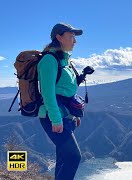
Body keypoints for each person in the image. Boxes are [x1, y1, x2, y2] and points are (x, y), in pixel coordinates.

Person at [38, 22, 83, 180]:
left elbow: (67, 91)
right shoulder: (49, 60)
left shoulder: (64, 60)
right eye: (71, 37)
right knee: (73, 157)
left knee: (64, 158)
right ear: (59, 37)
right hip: (53, 117)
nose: (75, 41)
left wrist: (74, 115)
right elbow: (48, 93)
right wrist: (56, 120)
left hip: (65, 116)